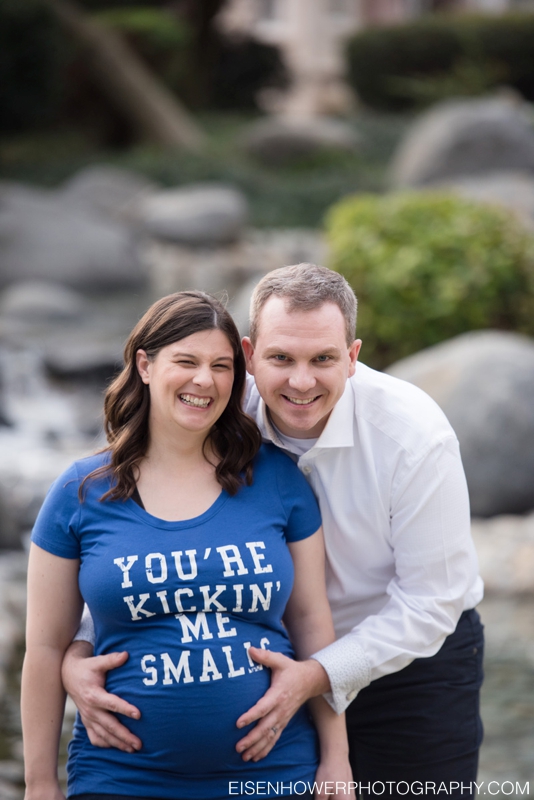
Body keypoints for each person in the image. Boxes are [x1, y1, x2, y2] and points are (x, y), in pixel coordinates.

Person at [63, 265, 485, 799]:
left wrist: (316, 674)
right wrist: (79, 650)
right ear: (249, 354)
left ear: (352, 357)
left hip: (409, 667)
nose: (301, 382)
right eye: (281, 358)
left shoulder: (413, 436)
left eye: (323, 359)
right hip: (274, 665)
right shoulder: (215, 408)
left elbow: (432, 601)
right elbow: (140, 546)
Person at [21, 290, 354, 800]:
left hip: (273, 773)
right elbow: (45, 648)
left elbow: (312, 623)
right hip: (121, 777)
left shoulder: (277, 479)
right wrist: (40, 784)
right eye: (187, 361)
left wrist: (337, 757)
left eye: (221, 366)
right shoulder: (79, 492)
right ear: (145, 365)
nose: (205, 380)